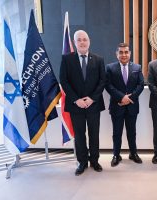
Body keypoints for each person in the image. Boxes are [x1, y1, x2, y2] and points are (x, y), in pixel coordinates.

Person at [60, 30, 106, 176]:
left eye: (84, 39)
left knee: (94, 134)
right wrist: (76, 100)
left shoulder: (98, 59)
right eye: (79, 40)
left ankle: (94, 161)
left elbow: (102, 81)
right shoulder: (67, 59)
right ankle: (82, 162)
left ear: (89, 41)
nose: (82, 42)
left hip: (94, 104)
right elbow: (64, 81)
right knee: (79, 135)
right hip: (76, 105)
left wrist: (92, 98)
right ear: (75, 42)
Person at [105, 43, 144, 167]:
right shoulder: (110, 68)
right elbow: (108, 85)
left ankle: (133, 153)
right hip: (117, 105)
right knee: (117, 132)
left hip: (132, 106)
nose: (124, 54)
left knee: (132, 132)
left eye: (126, 52)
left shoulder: (137, 67)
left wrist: (129, 98)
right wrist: (122, 97)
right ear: (117, 54)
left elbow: (141, 85)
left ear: (130, 53)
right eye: (121, 52)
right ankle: (116, 155)